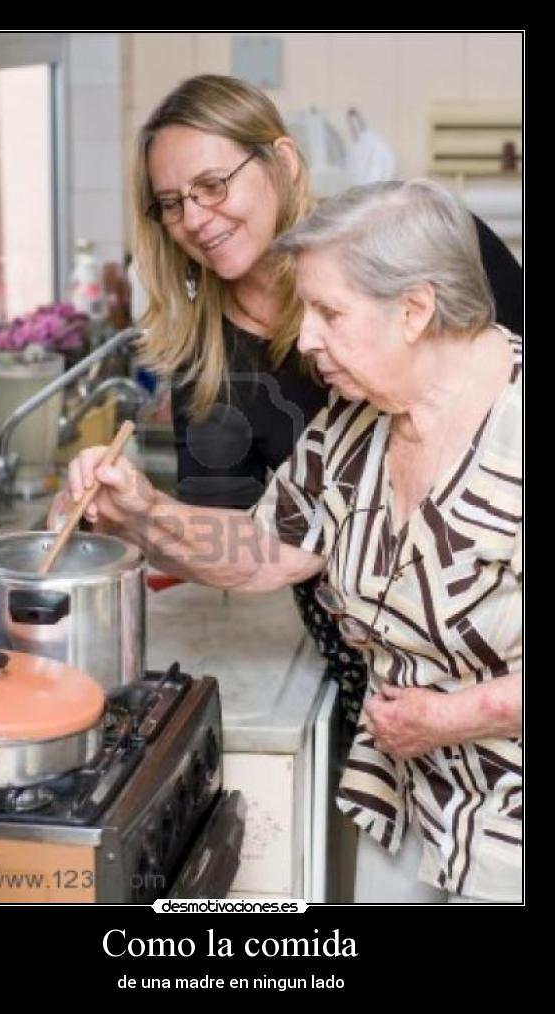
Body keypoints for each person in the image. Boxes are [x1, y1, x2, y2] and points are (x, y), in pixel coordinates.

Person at [53, 178, 522, 903]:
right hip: (413, 789)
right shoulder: (356, 421)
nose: (305, 339)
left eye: (330, 313)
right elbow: (269, 549)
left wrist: (455, 716)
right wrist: (143, 512)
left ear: (415, 309)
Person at [125, 74, 522, 748]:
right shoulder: (332, 429)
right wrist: (137, 516)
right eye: (172, 202)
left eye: (213, 185)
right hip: (379, 671)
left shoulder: (422, 251)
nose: (193, 218)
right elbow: (252, 541)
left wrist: (469, 710)